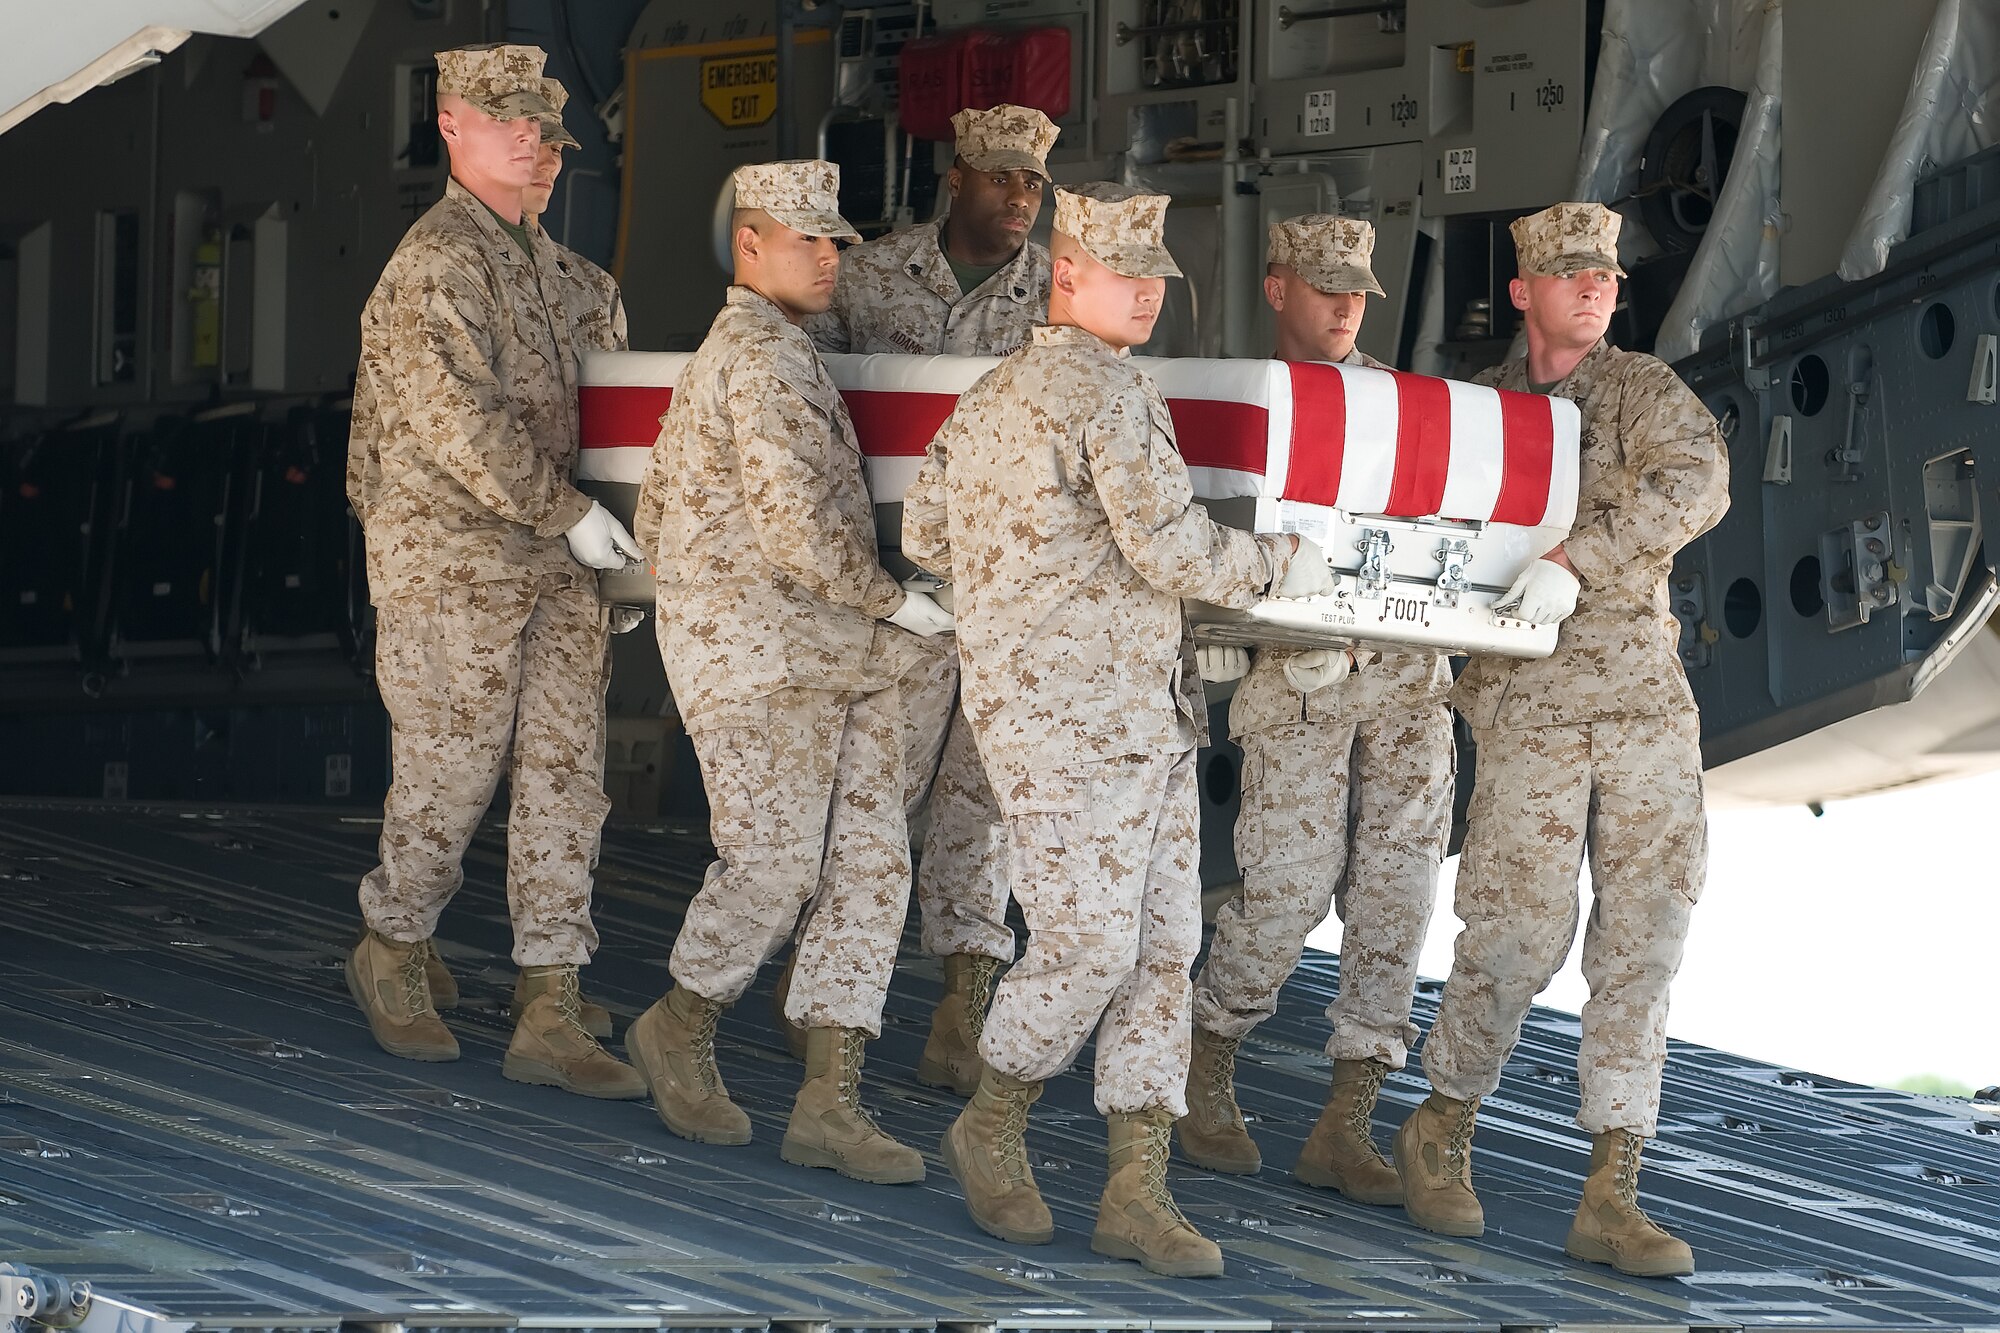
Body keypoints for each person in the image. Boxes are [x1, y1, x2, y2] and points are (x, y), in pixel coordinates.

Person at [903, 182, 1338, 1278]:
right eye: (1123, 269)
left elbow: (923, 528)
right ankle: (990, 1121)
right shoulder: (1105, 392)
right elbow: (1171, 549)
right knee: (1096, 946)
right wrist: (1279, 570)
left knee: (1161, 950)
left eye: (1155, 272)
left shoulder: (989, 396)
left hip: (1115, 712)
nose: (1146, 289)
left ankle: (1133, 1189)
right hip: (1084, 720)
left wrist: (1022, 599)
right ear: (1063, 273)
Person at [1396, 201, 1729, 1278]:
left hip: (1638, 707)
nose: (1593, 287)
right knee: (1513, 931)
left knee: (1642, 943)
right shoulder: (1481, 411)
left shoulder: (1637, 392)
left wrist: (1577, 557)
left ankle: (1612, 1189)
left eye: (1607, 276)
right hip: (1529, 708)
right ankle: (1438, 1129)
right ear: (1524, 288)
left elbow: (1696, 485)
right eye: (1570, 272)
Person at [625, 160, 954, 1185]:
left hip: (831, 653)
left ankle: (831, 1098)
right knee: (772, 867)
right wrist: (900, 604)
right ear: (748, 244)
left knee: (868, 867)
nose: (829, 254)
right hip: (763, 657)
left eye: (836, 239)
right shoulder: (758, 359)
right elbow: (797, 534)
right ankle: (679, 1025)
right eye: (804, 237)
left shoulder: (789, 353)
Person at [344, 43, 644, 1101]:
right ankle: (392, 944)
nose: (537, 145)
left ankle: (549, 999)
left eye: (550, 130)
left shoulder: (581, 285)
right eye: (509, 122)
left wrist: (621, 554)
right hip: (454, 567)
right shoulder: (434, 268)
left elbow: (617, 437)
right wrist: (569, 515)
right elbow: (458, 424)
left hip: (562, 570)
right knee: (450, 770)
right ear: (451, 126)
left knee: (568, 780)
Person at [1180, 217, 1455, 1206]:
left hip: (1406, 685)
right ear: (1276, 288)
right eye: (1325, 286)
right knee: (1285, 893)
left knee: (1394, 906)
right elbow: (1189, 546)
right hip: (1297, 681)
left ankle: (1346, 1124)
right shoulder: (1228, 412)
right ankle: (1202, 1070)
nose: (1345, 306)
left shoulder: (1404, 410)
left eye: (1358, 291)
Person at [799, 104, 1059, 1094]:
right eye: (1000, 178)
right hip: (887, 596)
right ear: (956, 177)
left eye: (1033, 182)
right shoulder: (866, 277)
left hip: (1002, 599)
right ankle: (824, 1014)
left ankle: (966, 1010)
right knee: (865, 806)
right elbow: (808, 416)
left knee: (979, 811)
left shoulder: (1058, 299)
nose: (1019, 198)